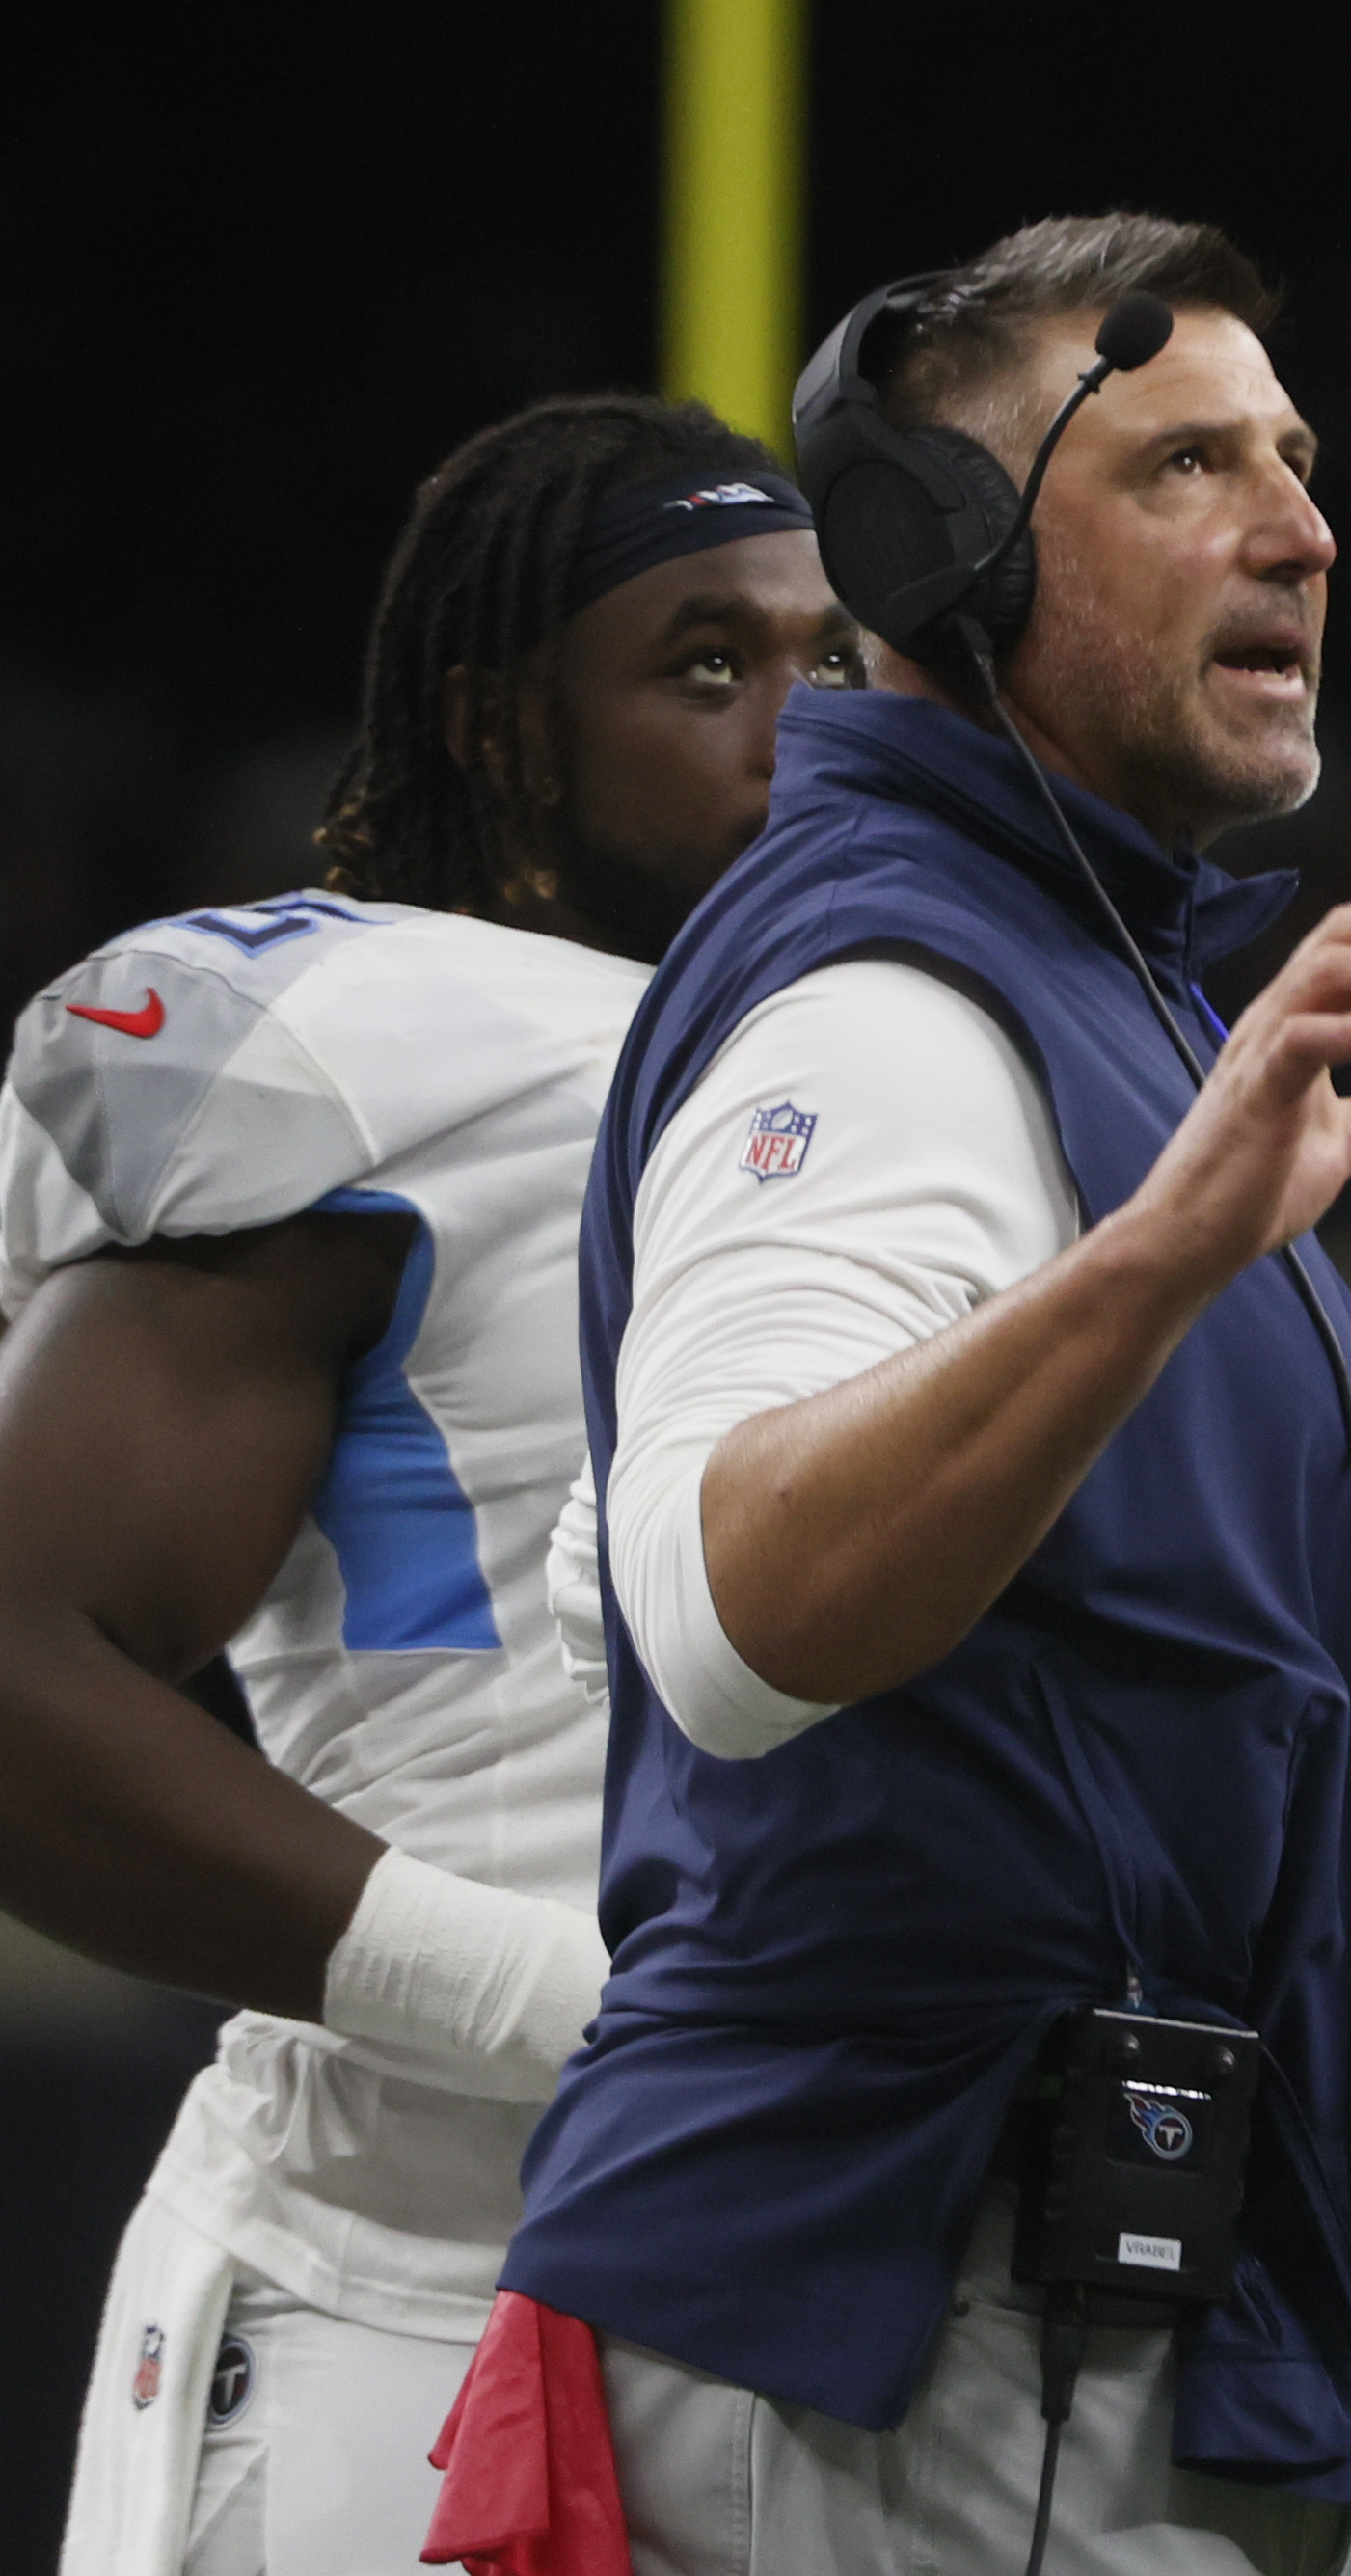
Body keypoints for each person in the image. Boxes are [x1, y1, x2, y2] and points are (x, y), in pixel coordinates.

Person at [486, 215, 1351, 2576]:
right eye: (1179, 467)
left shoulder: (1087, 982)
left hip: (1048, 2334)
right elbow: (722, 1614)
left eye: (1298, 461)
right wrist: (1148, 1261)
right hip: (925, 2324)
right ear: (936, 559)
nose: (1300, 528)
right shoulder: (889, 1003)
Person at [0, 396, 853, 2576]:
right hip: (401, 2298)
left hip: (804, 2335)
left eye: (833, 662)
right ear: (496, 723)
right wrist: (552, 2003)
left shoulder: (876, 1072)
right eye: (703, 663)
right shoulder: (388, 1043)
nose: (800, 726)